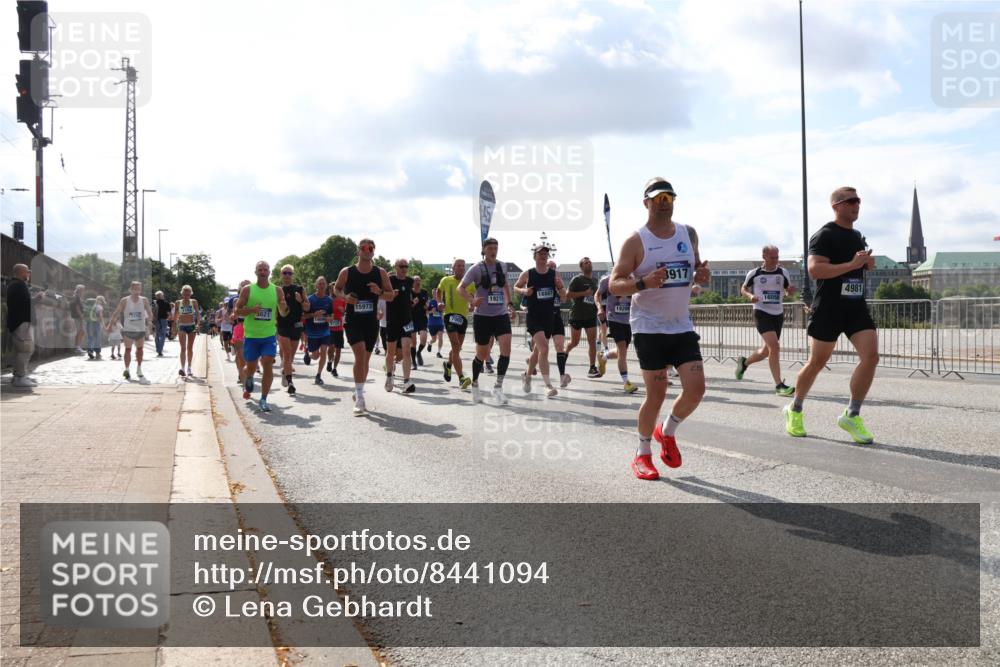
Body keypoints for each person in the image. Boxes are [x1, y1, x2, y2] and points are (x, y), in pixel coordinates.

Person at [609, 177, 710, 481]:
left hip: (680, 325)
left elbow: (695, 270)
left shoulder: (688, 233)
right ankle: (642, 454)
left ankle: (667, 431)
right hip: (649, 326)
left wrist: (701, 276)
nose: (664, 203)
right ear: (646, 203)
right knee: (657, 394)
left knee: (696, 389)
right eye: (658, 198)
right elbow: (615, 284)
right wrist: (643, 282)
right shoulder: (635, 241)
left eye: (669, 198)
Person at [784, 187, 878, 444]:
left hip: (855, 306)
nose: (856, 205)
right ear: (836, 206)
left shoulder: (857, 236)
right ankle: (795, 408)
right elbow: (815, 270)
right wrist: (852, 264)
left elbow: (858, 266)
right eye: (851, 201)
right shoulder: (824, 234)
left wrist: (867, 264)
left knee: (871, 357)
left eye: (858, 201)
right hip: (829, 308)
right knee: (817, 362)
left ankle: (852, 415)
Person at [333, 238, 394, 415]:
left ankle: (358, 390)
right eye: (364, 248)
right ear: (358, 251)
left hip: (371, 322)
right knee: (359, 356)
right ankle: (360, 398)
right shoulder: (347, 272)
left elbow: (391, 295)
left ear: (374, 251)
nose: (368, 250)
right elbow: (336, 289)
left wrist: (379, 292)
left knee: (365, 361)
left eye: (371, 248)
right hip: (353, 321)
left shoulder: (380, 272)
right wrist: (345, 298)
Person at [459, 238, 515, 404]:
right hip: (482, 316)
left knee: (506, 350)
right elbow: (460, 288)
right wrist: (472, 300)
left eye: (495, 248)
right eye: (490, 248)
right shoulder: (476, 268)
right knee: (482, 354)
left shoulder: (502, 266)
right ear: (483, 250)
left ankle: (498, 387)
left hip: (501, 315)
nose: (493, 251)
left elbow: (505, 286)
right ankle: (475, 384)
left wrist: (510, 304)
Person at [735, 245, 797, 395]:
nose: (776, 260)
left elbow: (787, 292)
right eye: (772, 257)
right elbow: (743, 288)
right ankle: (779, 386)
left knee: (765, 351)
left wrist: (790, 292)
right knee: (774, 347)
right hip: (761, 312)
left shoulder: (783, 272)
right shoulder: (754, 273)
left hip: (778, 313)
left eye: (777, 257)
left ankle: (744, 363)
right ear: (764, 256)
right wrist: (750, 296)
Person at [235, 261, 290, 412]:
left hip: (269, 335)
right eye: (260, 269)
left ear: (269, 272)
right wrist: (252, 310)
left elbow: (284, 312)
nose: (263, 272)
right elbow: (237, 311)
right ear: (256, 272)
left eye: (265, 269)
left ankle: (264, 399)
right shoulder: (248, 290)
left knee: (267, 363)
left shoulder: (277, 290)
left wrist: (284, 307)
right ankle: (249, 376)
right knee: (251, 367)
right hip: (252, 336)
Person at [516, 244, 565, 397]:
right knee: (544, 349)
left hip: (549, 317)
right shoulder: (528, 274)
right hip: (534, 317)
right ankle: (548, 386)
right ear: (535, 257)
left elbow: (564, 297)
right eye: (540, 254)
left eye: (545, 254)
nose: (543, 256)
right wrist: (524, 291)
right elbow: (516, 287)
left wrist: (560, 287)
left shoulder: (554, 274)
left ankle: (527, 376)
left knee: (537, 351)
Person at [437, 259, 475, 389]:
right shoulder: (446, 280)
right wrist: (439, 302)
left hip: (463, 317)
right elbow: (438, 291)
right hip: (450, 315)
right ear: (453, 268)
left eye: (463, 266)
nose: (461, 268)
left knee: (457, 349)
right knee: (455, 345)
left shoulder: (469, 283)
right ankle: (461, 378)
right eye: (458, 266)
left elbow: (472, 296)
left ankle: (448, 365)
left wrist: (472, 305)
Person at [597, 274, 638, 393]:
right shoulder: (607, 279)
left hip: (628, 320)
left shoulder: (634, 278)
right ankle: (626, 383)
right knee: (622, 350)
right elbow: (597, 294)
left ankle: (604, 356)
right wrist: (600, 308)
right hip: (613, 319)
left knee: (621, 351)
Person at [106, 281, 154, 381]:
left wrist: (150, 322)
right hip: (128, 329)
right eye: (135, 289)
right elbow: (116, 313)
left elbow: (150, 313)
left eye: (139, 289)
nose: (137, 291)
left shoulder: (144, 300)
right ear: (130, 290)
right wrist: (110, 325)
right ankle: (127, 369)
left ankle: (139, 369)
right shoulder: (124, 300)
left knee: (140, 350)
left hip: (140, 329)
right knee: (128, 349)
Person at [564, 257, 601, 378]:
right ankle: (564, 353)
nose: (588, 264)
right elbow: (567, 295)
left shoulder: (595, 281)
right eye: (586, 263)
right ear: (581, 267)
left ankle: (592, 367)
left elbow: (597, 296)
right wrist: (584, 293)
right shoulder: (577, 279)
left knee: (592, 342)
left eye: (589, 262)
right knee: (574, 342)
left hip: (590, 315)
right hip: (577, 315)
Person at [384, 259, 416, 394]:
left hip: (406, 321)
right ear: (396, 267)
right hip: (392, 321)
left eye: (406, 266)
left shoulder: (410, 281)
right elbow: (382, 295)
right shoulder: (389, 280)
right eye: (402, 266)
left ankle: (406, 381)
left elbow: (410, 297)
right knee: (390, 352)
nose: (404, 269)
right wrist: (391, 294)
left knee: (406, 351)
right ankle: (389, 375)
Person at [276, 264, 309, 395]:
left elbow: (307, 307)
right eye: (285, 273)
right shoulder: (278, 290)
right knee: (287, 353)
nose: (287, 275)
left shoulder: (299, 289)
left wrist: (300, 301)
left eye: (289, 273)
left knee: (291, 356)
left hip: (296, 326)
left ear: (293, 275)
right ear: (281, 275)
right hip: (282, 326)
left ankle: (285, 371)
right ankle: (290, 383)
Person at [6, 264, 36, 387]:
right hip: (21, 322)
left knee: (22, 350)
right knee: (25, 349)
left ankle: (19, 376)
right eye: (27, 271)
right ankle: (20, 377)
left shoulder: (15, 285)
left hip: (20, 322)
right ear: (21, 272)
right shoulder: (18, 285)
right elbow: (25, 303)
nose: (29, 273)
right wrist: (37, 298)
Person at [305, 276, 334, 385]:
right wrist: (314, 314)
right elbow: (303, 316)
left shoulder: (329, 300)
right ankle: (308, 354)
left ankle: (318, 375)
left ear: (326, 286)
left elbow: (332, 315)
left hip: (325, 332)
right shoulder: (310, 299)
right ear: (316, 285)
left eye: (323, 283)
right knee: (316, 356)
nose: (321, 285)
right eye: (319, 283)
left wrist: (329, 319)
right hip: (312, 332)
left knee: (324, 351)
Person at [548, 260, 572, 388]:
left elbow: (564, 299)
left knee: (559, 346)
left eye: (554, 267)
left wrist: (559, 288)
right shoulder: (540, 281)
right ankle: (528, 371)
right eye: (550, 267)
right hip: (543, 319)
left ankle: (562, 376)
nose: (553, 269)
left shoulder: (558, 283)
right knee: (540, 350)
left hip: (556, 318)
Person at [172, 285, 201, 378]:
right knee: (183, 348)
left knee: (190, 348)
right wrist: (174, 327)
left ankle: (189, 367)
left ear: (190, 294)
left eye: (188, 294)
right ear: (182, 294)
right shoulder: (178, 303)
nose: (186, 296)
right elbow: (175, 316)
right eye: (184, 294)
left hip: (191, 326)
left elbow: (198, 313)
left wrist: (198, 324)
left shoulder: (194, 302)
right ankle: (182, 368)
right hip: (182, 326)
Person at [410, 275, 430, 368]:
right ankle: (414, 362)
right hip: (412, 319)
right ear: (412, 283)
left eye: (419, 280)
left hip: (422, 319)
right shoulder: (410, 292)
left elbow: (427, 305)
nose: (418, 282)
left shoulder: (424, 292)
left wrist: (427, 306)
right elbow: (407, 306)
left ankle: (418, 352)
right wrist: (413, 303)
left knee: (424, 340)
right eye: (416, 280)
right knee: (413, 342)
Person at [327, 287, 347, 378]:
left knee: (338, 350)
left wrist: (342, 310)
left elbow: (345, 312)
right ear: (330, 290)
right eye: (332, 289)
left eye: (335, 290)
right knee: (331, 347)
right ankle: (329, 361)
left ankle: (334, 368)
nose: (333, 291)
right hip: (329, 328)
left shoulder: (342, 300)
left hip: (339, 328)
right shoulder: (327, 300)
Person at [85, 295, 106, 359]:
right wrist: (103, 325)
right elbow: (101, 316)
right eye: (102, 301)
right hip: (96, 323)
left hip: (89, 322)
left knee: (90, 337)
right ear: (101, 301)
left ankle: (90, 350)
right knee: (97, 338)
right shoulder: (100, 307)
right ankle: (97, 353)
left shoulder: (91, 306)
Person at [426, 289, 445, 358]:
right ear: (432, 294)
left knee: (440, 337)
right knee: (434, 339)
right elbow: (426, 312)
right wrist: (431, 311)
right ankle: (430, 343)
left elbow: (443, 311)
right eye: (434, 293)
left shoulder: (441, 302)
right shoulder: (429, 302)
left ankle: (439, 352)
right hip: (431, 323)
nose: (436, 295)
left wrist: (442, 310)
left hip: (440, 323)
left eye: (437, 293)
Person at [153, 291, 171, 356]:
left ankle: (158, 349)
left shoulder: (154, 303)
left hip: (156, 320)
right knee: (163, 335)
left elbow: (151, 312)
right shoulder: (166, 303)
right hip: (164, 320)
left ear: (156, 296)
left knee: (157, 335)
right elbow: (168, 313)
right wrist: (168, 318)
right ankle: (160, 350)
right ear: (162, 296)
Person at [70, 284, 86, 354]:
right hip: (78, 316)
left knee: (81, 331)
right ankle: (77, 347)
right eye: (83, 290)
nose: (83, 291)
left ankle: (78, 347)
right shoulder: (76, 297)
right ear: (79, 290)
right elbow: (77, 307)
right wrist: (81, 316)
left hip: (78, 316)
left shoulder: (77, 297)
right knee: (81, 331)